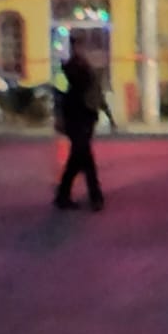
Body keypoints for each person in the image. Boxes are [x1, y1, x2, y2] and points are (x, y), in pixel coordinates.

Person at [53, 40, 110, 212]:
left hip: (85, 115)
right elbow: (61, 93)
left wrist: (106, 112)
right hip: (77, 116)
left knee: (78, 158)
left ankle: (64, 195)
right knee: (84, 156)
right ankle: (94, 196)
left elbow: (96, 92)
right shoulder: (69, 69)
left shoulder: (86, 68)